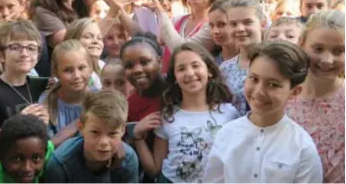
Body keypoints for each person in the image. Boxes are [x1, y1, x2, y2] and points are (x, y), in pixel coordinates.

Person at [203, 41, 323, 182]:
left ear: (294, 92)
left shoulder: (302, 147)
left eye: (273, 85)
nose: (259, 91)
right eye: (254, 79)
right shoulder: (227, 134)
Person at [133, 42, 238, 182]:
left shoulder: (230, 114)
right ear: (175, 78)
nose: (189, 73)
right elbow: (154, 169)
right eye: (181, 69)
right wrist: (138, 136)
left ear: (209, 70)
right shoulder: (167, 116)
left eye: (195, 66)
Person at [285, 11, 345, 183]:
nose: (327, 60)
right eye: (318, 49)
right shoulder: (284, 96)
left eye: (339, 51)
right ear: (302, 44)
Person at [44, 90, 139, 182]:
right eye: (95, 132)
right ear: (81, 128)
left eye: (112, 133)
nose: (104, 142)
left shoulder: (128, 160)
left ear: (123, 130)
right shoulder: (60, 164)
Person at [0, 21, 49, 130]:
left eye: (31, 48)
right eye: (15, 47)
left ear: (38, 56)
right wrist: (19, 122)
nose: (24, 54)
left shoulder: (45, 85)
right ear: (1, 55)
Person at [159, 0, 219, 71]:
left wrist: (159, 11)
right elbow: (151, 40)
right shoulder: (176, 20)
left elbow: (182, 50)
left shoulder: (213, 26)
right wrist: (121, 12)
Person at [0, 0, 51, 77]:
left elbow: (43, 73)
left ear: (22, 5)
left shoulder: (36, 36)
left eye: (10, 7)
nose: (5, 13)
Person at [220, 0, 265, 116]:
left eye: (247, 22)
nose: (240, 29)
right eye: (233, 24)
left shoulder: (275, 64)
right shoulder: (224, 69)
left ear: (262, 24)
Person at [42, 40, 94, 142]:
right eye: (68, 70)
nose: (76, 76)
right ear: (56, 72)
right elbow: (46, 147)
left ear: (90, 68)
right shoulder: (47, 102)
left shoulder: (99, 99)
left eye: (81, 68)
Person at [0, 114, 54, 183]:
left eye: (35, 158)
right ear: (1, 157)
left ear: (45, 153)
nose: (27, 168)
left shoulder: (43, 149)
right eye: (17, 159)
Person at [120, 33, 167, 122]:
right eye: (129, 66)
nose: (137, 70)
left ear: (159, 62)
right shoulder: (131, 105)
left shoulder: (178, 91)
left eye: (144, 62)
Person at [63, 18, 105, 89]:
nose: (95, 41)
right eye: (87, 37)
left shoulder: (104, 66)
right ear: (72, 40)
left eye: (99, 38)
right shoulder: (64, 71)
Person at [207, 0, 238, 64]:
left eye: (221, 24)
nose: (215, 31)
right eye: (211, 25)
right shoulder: (211, 62)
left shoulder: (252, 60)